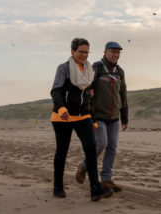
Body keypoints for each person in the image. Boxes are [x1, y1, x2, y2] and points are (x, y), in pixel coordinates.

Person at [50, 37, 112, 201]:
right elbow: (56, 91)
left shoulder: (89, 70)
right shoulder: (64, 68)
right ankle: (58, 186)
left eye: (86, 52)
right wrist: (61, 107)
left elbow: (88, 96)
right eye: (81, 52)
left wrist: (91, 117)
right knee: (62, 151)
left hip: (82, 116)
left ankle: (95, 188)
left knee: (91, 149)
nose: (84, 55)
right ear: (73, 51)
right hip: (62, 116)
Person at [75, 41, 129, 193]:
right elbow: (87, 90)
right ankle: (84, 165)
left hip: (114, 117)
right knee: (101, 144)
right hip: (97, 116)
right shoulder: (97, 68)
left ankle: (106, 180)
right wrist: (87, 112)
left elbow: (123, 94)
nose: (116, 55)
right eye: (113, 52)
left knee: (112, 147)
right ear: (105, 52)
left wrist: (125, 117)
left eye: (118, 52)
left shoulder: (120, 71)